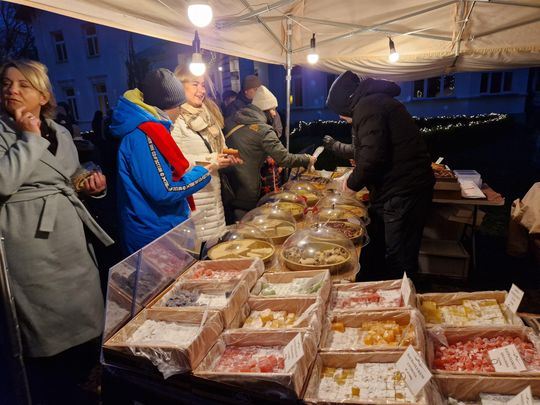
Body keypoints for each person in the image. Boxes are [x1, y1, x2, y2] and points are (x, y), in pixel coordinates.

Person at [0, 59, 114, 404]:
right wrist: (28, 139)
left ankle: (87, 378)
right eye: (6, 84)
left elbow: (70, 175)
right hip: (30, 243)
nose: (12, 90)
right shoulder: (3, 132)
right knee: (46, 331)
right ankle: (56, 389)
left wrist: (90, 185)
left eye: (23, 85)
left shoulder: (60, 131)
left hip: (71, 239)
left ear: (43, 95)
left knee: (85, 318)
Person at [326, 71, 435, 280]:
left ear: (346, 102)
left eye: (338, 111)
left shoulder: (368, 106)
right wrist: (354, 175)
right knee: (396, 249)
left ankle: (402, 295)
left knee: (399, 256)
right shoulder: (374, 102)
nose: (339, 117)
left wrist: (351, 183)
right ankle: (392, 286)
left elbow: (373, 157)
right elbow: (370, 150)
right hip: (404, 189)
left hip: (403, 191)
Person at [109, 68, 212, 255]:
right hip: (154, 237)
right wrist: (204, 172)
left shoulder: (152, 130)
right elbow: (164, 190)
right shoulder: (143, 136)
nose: (180, 112)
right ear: (169, 105)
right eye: (179, 106)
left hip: (163, 231)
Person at [225, 85, 316, 221]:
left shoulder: (232, 121)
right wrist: (307, 159)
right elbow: (284, 158)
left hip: (232, 189)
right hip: (250, 193)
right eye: (272, 109)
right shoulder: (264, 130)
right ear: (264, 110)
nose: (274, 114)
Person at [171, 66, 242, 238]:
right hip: (194, 199)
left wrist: (226, 157)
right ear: (180, 85)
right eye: (195, 84)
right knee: (199, 247)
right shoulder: (175, 120)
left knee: (216, 244)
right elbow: (173, 163)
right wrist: (212, 160)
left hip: (214, 195)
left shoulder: (209, 116)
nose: (202, 90)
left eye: (203, 85)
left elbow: (217, 150)